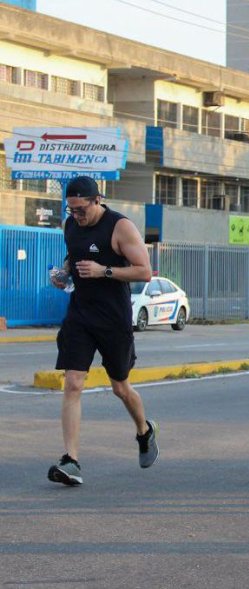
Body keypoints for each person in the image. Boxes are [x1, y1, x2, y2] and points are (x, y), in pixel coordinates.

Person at [47, 176, 158, 486]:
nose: (77, 217)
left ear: (98, 200)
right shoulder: (71, 225)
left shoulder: (120, 227)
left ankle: (144, 430)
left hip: (113, 319)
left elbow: (145, 271)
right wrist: (65, 272)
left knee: (121, 387)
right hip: (80, 315)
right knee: (72, 383)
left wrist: (103, 271)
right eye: (71, 211)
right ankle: (71, 460)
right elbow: (74, 255)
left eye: (82, 210)